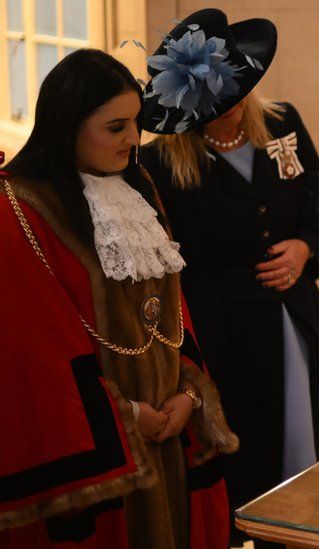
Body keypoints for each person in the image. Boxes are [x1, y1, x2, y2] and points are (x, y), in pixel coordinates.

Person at [137, 9, 319, 542]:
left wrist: (306, 247)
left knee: (314, 439)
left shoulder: (283, 123)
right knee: (253, 451)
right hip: (228, 333)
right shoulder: (162, 166)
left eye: (237, 95)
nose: (231, 112)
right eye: (215, 108)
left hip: (299, 317)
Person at [0, 49, 237, 547]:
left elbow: (173, 309)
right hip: (101, 446)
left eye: (136, 123)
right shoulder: (18, 207)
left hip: (170, 431)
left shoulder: (137, 186)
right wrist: (125, 415)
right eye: (116, 127)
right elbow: (32, 349)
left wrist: (189, 393)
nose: (133, 140)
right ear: (68, 126)